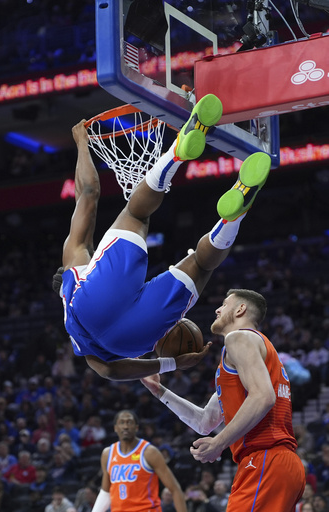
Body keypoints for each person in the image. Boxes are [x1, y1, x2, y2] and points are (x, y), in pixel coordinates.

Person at [52, 93, 271, 381]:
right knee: (136, 215)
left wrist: (171, 364)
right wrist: (82, 142)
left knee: (202, 265)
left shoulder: (79, 332)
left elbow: (108, 370)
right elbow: (89, 194)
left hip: (129, 342)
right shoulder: (74, 265)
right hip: (92, 305)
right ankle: (175, 152)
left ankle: (233, 217)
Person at [141, 288, 306, 511]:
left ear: (241, 309)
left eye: (225, 304)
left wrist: (219, 443)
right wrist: (159, 391)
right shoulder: (250, 353)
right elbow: (205, 422)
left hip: (266, 459)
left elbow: (264, 396)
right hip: (275, 464)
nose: (218, 309)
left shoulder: (239, 338)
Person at [91, 409, 188, 512]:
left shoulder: (149, 452)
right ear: (115, 428)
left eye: (129, 422)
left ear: (136, 427)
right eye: (121, 422)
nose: (125, 426)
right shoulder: (107, 454)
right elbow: (105, 492)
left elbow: (175, 489)